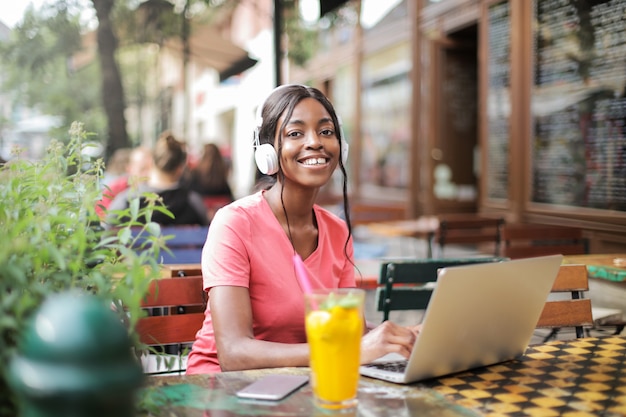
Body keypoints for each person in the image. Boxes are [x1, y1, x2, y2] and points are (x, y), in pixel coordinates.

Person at [186, 84, 419, 374]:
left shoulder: (336, 230)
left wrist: (400, 338)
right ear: (267, 152)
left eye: (326, 131)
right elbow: (234, 353)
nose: (316, 142)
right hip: (224, 388)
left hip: (301, 381)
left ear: (341, 148)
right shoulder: (234, 223)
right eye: (296, 133)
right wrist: (352, 348)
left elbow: (346, 330)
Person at [106, 131, 209, 227]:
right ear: (180, 169)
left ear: (151, 162)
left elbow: (107, 233)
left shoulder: (127, 201)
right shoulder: (193, 202)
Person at [95, 146, 153, 219]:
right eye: (142, 169)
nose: (147, 174)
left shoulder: (160, 189)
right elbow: (102, 215)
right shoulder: (116, 189)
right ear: (129, 169)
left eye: (151, 169)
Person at [183, 143, 234, 220]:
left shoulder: (195, 174)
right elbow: (230, 199)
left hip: (200, 216)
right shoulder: (222, 177)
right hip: (220, 216)